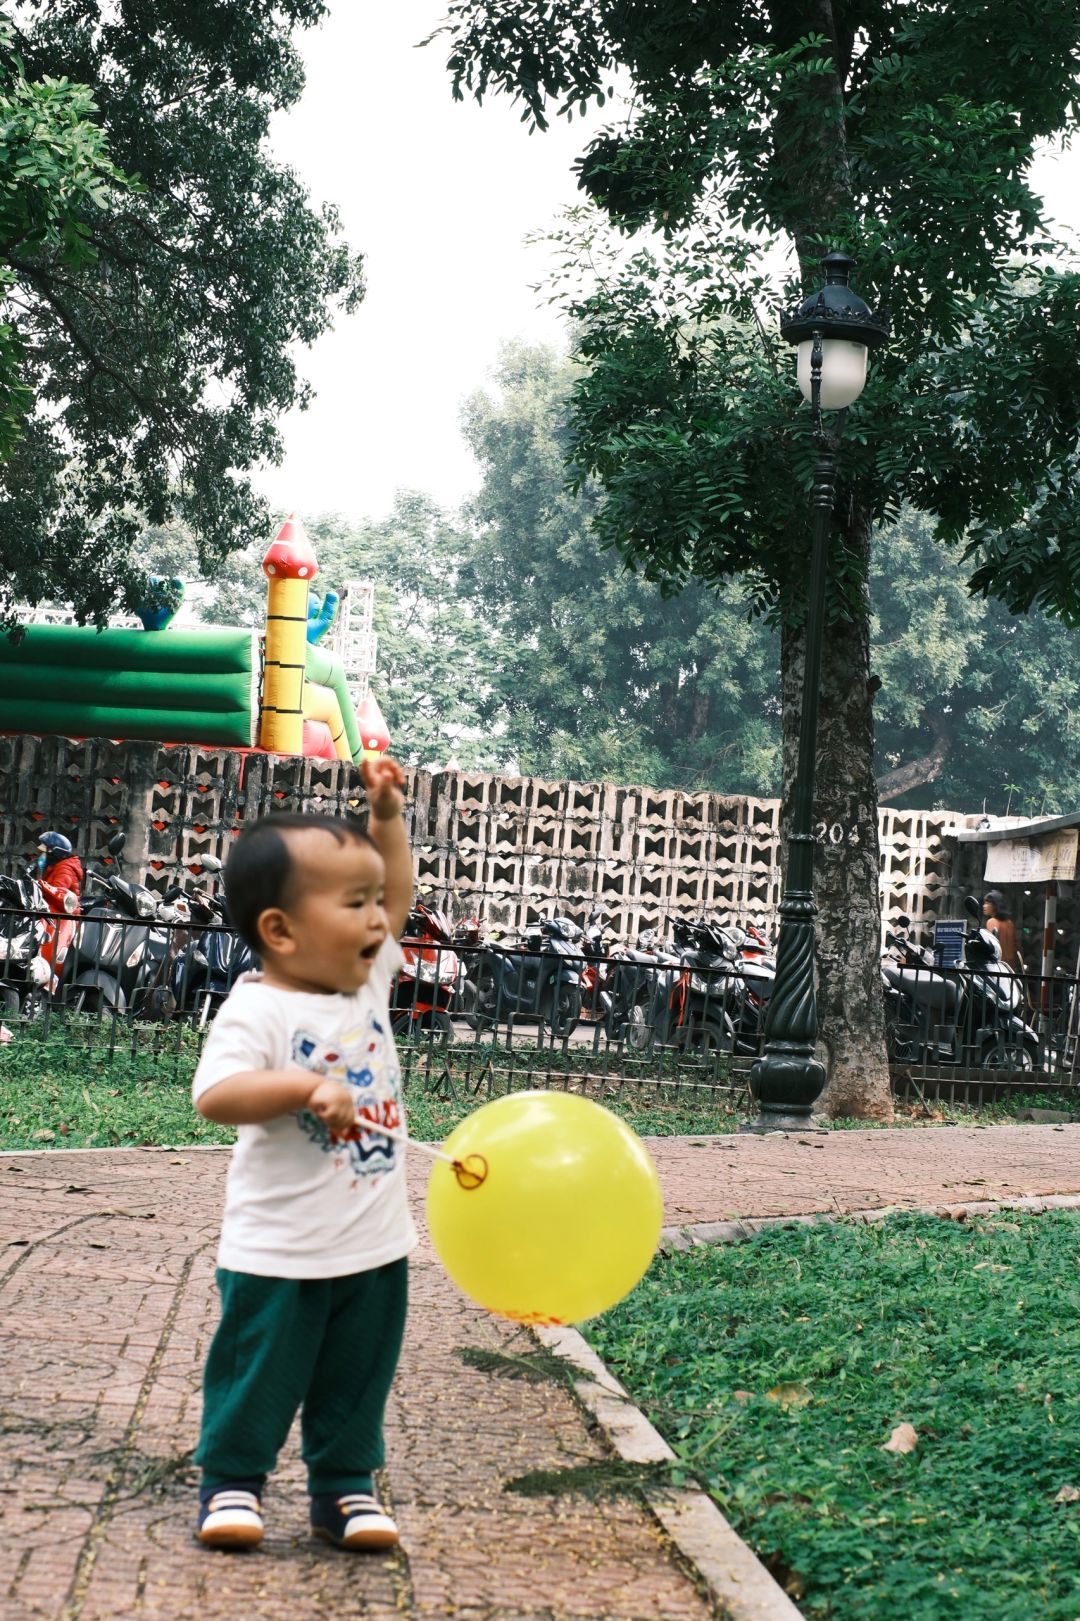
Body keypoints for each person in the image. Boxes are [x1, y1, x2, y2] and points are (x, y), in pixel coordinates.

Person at [191, 756, 415, 1554]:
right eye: (354, 904)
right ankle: (231, 1482)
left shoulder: (367, 982)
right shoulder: (258, 1008)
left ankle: (344, 1488)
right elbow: (215, 1095)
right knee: (260, 1369)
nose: (379, 918)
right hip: (278, 1250)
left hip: (373, 1242)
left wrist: (385, 814)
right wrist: (297, 1088)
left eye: (374, 902)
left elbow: (399, 885)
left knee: (357, 1377)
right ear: (280, 930)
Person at [982, 889, 1025, 974]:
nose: (984, 906)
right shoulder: (1010, 923)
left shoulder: (991, 922)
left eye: (987, 903)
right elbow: (1016, 947)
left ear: (995, 905)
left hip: (997, 968)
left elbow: (990, 948)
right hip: (1010, 969)